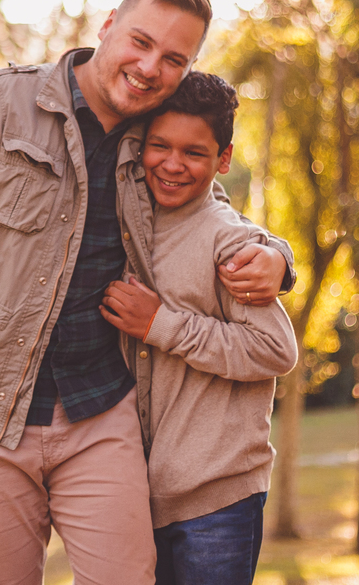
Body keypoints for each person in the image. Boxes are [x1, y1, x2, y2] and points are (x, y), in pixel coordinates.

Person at [0, 0, 294, 585]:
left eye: (174, 59)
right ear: (108, 26)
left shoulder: (151, 132)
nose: (150, 67)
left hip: (100, 410)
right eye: (141, 42)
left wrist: (278, 258)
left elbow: (208, 208)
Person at [101, 72, 298, 585]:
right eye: (159, 146)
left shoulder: (230, 243)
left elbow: (275, 349)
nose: (172, 164)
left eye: (193, 153)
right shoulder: (125, 226)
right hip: (139, 498)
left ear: (223, 159)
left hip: (218, 499)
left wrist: (161, 325)